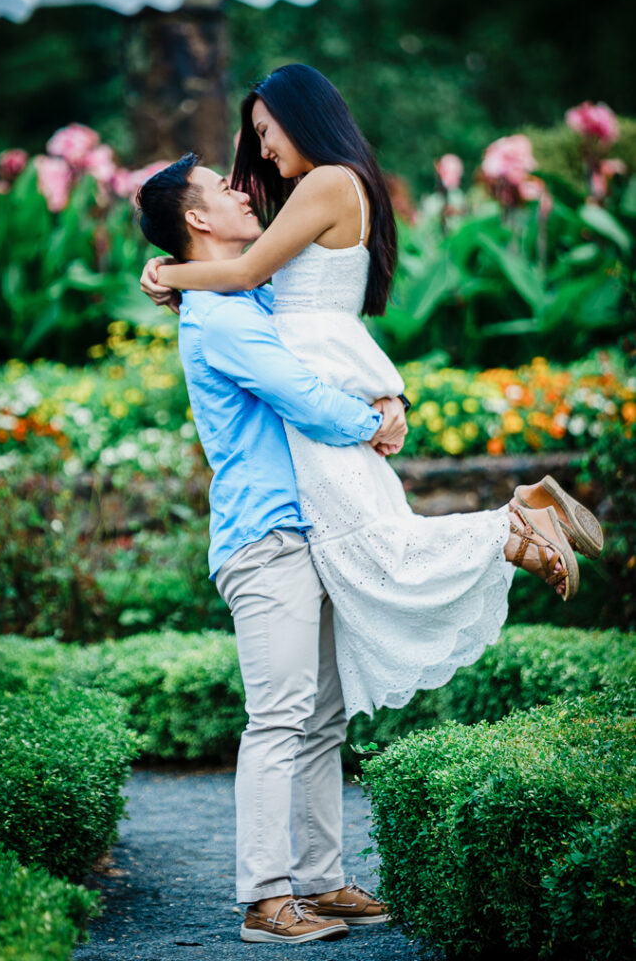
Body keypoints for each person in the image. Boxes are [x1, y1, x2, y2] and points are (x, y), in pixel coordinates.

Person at [140, 63, 604, 720]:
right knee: (376, 543)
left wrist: (164, 271)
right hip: (330, 374)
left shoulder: (326, 182)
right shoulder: (337, 184)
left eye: (267, 132)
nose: (263, 151)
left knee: (375, 550)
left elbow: (242, 271)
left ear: (302, 118)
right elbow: (261, 292)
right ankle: (522, 513)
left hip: (317, 392)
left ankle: (514, 526)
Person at [136, 154, 408, 943]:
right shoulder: (220, 317)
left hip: (305, 530)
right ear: (196, 221)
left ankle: (320, 882)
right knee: (280, 718)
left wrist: (165, 271)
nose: (239, 190)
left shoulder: (242, 294)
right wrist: (374, 421)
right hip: (266, 540)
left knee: (320, 718)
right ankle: (263, 897)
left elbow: (321, 340)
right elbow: (300, 397)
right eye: (220, 190)